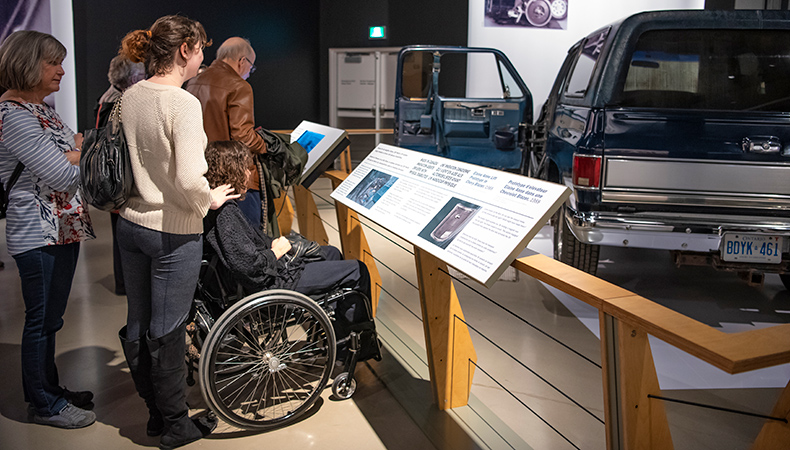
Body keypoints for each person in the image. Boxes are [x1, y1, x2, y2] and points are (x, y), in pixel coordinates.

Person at [116, 15, 238, 450]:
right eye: (201, 48)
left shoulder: (130, 95)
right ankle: (175, 425)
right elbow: (190, 179)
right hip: (171, 230)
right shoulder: (181, 103)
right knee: (168, 330)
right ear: (185, 49)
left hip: (130, 224)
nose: (203, 57)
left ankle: (154, 413)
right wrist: (211, 199)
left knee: (139, 321)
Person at [0, 30, 96, 429]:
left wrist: (76, 150)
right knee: (41, 320)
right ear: (27, 64)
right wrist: (79, 152)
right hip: (37, 233)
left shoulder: (41, 109)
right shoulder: (15, 117)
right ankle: (44, 403)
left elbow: (75, 147)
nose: (61, 71)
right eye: (53, 62)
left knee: (52, 318)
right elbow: (61, 172)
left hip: (61, 227)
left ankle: (49, 390)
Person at [203, 140, 371, 300]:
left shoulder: (220, 207)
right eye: (246, 168)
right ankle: (357, 329)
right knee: (358, 270)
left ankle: (334, 324)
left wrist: (275, 244)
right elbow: (249, 267)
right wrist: (277, 251)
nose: (249, 173)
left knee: (332, 253)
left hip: (266, 273)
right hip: (272, 283)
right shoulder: (226, 214)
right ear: (234, 172)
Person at [185, 37, 271, 233]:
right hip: (235, 178)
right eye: (251, 66)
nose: (250, 72)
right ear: (242, 61)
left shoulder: (193, 82)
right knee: (247, 240)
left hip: (205, 174)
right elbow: (244, 137)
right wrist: (267, 145)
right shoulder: (239, 86)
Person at [94, 54, 145, 296]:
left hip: (115, 177)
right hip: (119, 177)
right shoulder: (118, 101)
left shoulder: (109, 97)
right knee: (123, 233)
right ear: (133, 78)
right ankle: (125, 283)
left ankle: (124, 283)